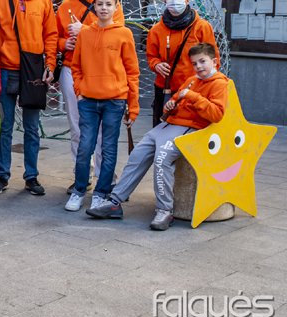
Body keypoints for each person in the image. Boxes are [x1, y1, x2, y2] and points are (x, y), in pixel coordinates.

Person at [87, 43, 228, 230]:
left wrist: (192, 97)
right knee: (137, 154)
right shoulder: (192, 80)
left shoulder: (220, 83)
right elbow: (177, 100)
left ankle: (165, 210)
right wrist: (171, 106)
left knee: (162, 160)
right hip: (168, 125)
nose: (199, 67)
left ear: (214, 61)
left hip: (189, 128)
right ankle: (115, 201)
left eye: (203, 61)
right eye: (195, 63)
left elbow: (217, 114)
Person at [65, 0, 139, 212]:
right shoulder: (85, 33)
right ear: (94, 6)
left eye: (109, 4)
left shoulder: (124, 34)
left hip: (114, 101)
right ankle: (79, 190)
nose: (104, 8)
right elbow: (75, 66)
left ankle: (102, 192)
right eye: (100, 4)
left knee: (108, 148)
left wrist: (133, 106)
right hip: (87, 100)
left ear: (116, 7)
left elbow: (132, 71)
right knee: (84, 146)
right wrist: (79, 89)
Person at [56, 0, 126, 194]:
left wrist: (84, 30)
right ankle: (81, 176)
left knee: (101, 130)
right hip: (72, 68)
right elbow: (55, 38)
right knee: (77, 127)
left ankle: (105, 175)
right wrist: (65, 43)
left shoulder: (111, 4)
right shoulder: (65, 6)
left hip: (102, 71)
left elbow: (117, 34)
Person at [0, 0, 57, 196]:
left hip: (33, 70)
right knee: (4, 126)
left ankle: (31, 176)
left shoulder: (45, 2)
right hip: (6, 69)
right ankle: (2, 175)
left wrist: (50, 64)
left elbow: (51, 35)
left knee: (31, 127)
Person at [146, 0, 218, 127]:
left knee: (188, 131)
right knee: (162, 130)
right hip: (164, 89)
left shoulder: (202, 27)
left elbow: (214, 60)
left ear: (187, 0)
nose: (175, 1)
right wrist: (156, 65)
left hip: (193, 89)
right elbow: (151, 56)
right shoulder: (156, 30)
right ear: (165, 0)